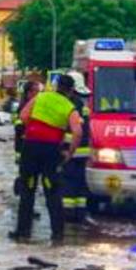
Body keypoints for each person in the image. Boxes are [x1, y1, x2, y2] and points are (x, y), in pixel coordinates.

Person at [11, 74, 83, 242]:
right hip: (51, 151)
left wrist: (34, 130)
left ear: (56, 86)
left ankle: (23, 233)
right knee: (53, 192)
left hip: (31, 147)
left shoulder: (41, 97)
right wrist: (69, 153)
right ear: (71, 91)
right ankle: (57, 235)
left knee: (27, 189)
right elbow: (78, 132)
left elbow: (23, 116)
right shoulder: (70, 107)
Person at [61, 71, 92, 223]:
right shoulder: (83, 103)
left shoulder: (70, 104)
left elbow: (69, 129)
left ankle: (67, 213)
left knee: (68, 182)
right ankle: (81, 213)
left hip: (71, 150)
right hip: (84, 151)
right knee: (80, 183)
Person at [13, 80, 43, 195]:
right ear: (29, 93)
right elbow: (19, 128)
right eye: (36, 91)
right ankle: (22, 193)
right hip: (23, 147)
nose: (38, 94)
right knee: (27, 178)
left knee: (31, 179)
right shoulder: (23, 107)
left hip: (30, 146)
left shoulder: (33, 105)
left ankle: (24, 198)